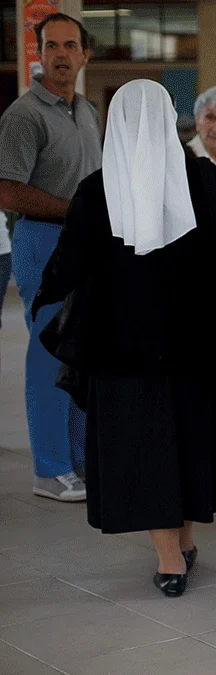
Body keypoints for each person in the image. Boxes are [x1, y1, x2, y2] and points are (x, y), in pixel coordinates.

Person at [30, 80, 216, 598]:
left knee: (145, 448)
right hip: (197, 346)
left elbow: (68, 266)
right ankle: (183, 544)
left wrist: (44, 296)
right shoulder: (204, 179)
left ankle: (171, 558)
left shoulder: (97, 190)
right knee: (193, 442)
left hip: (122, 351)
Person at [0, 13, 101, 502]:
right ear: (39, 52)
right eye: (51, 45)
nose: (60, 54)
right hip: (42, 240)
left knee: (80, 351)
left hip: (82, 244)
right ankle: (49, 468)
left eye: (69, 46)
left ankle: (78, 459)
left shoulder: (86, 112)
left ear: (85, 54)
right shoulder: (24, 115)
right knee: (47, 352)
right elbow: (10, 192)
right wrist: (78, 212)